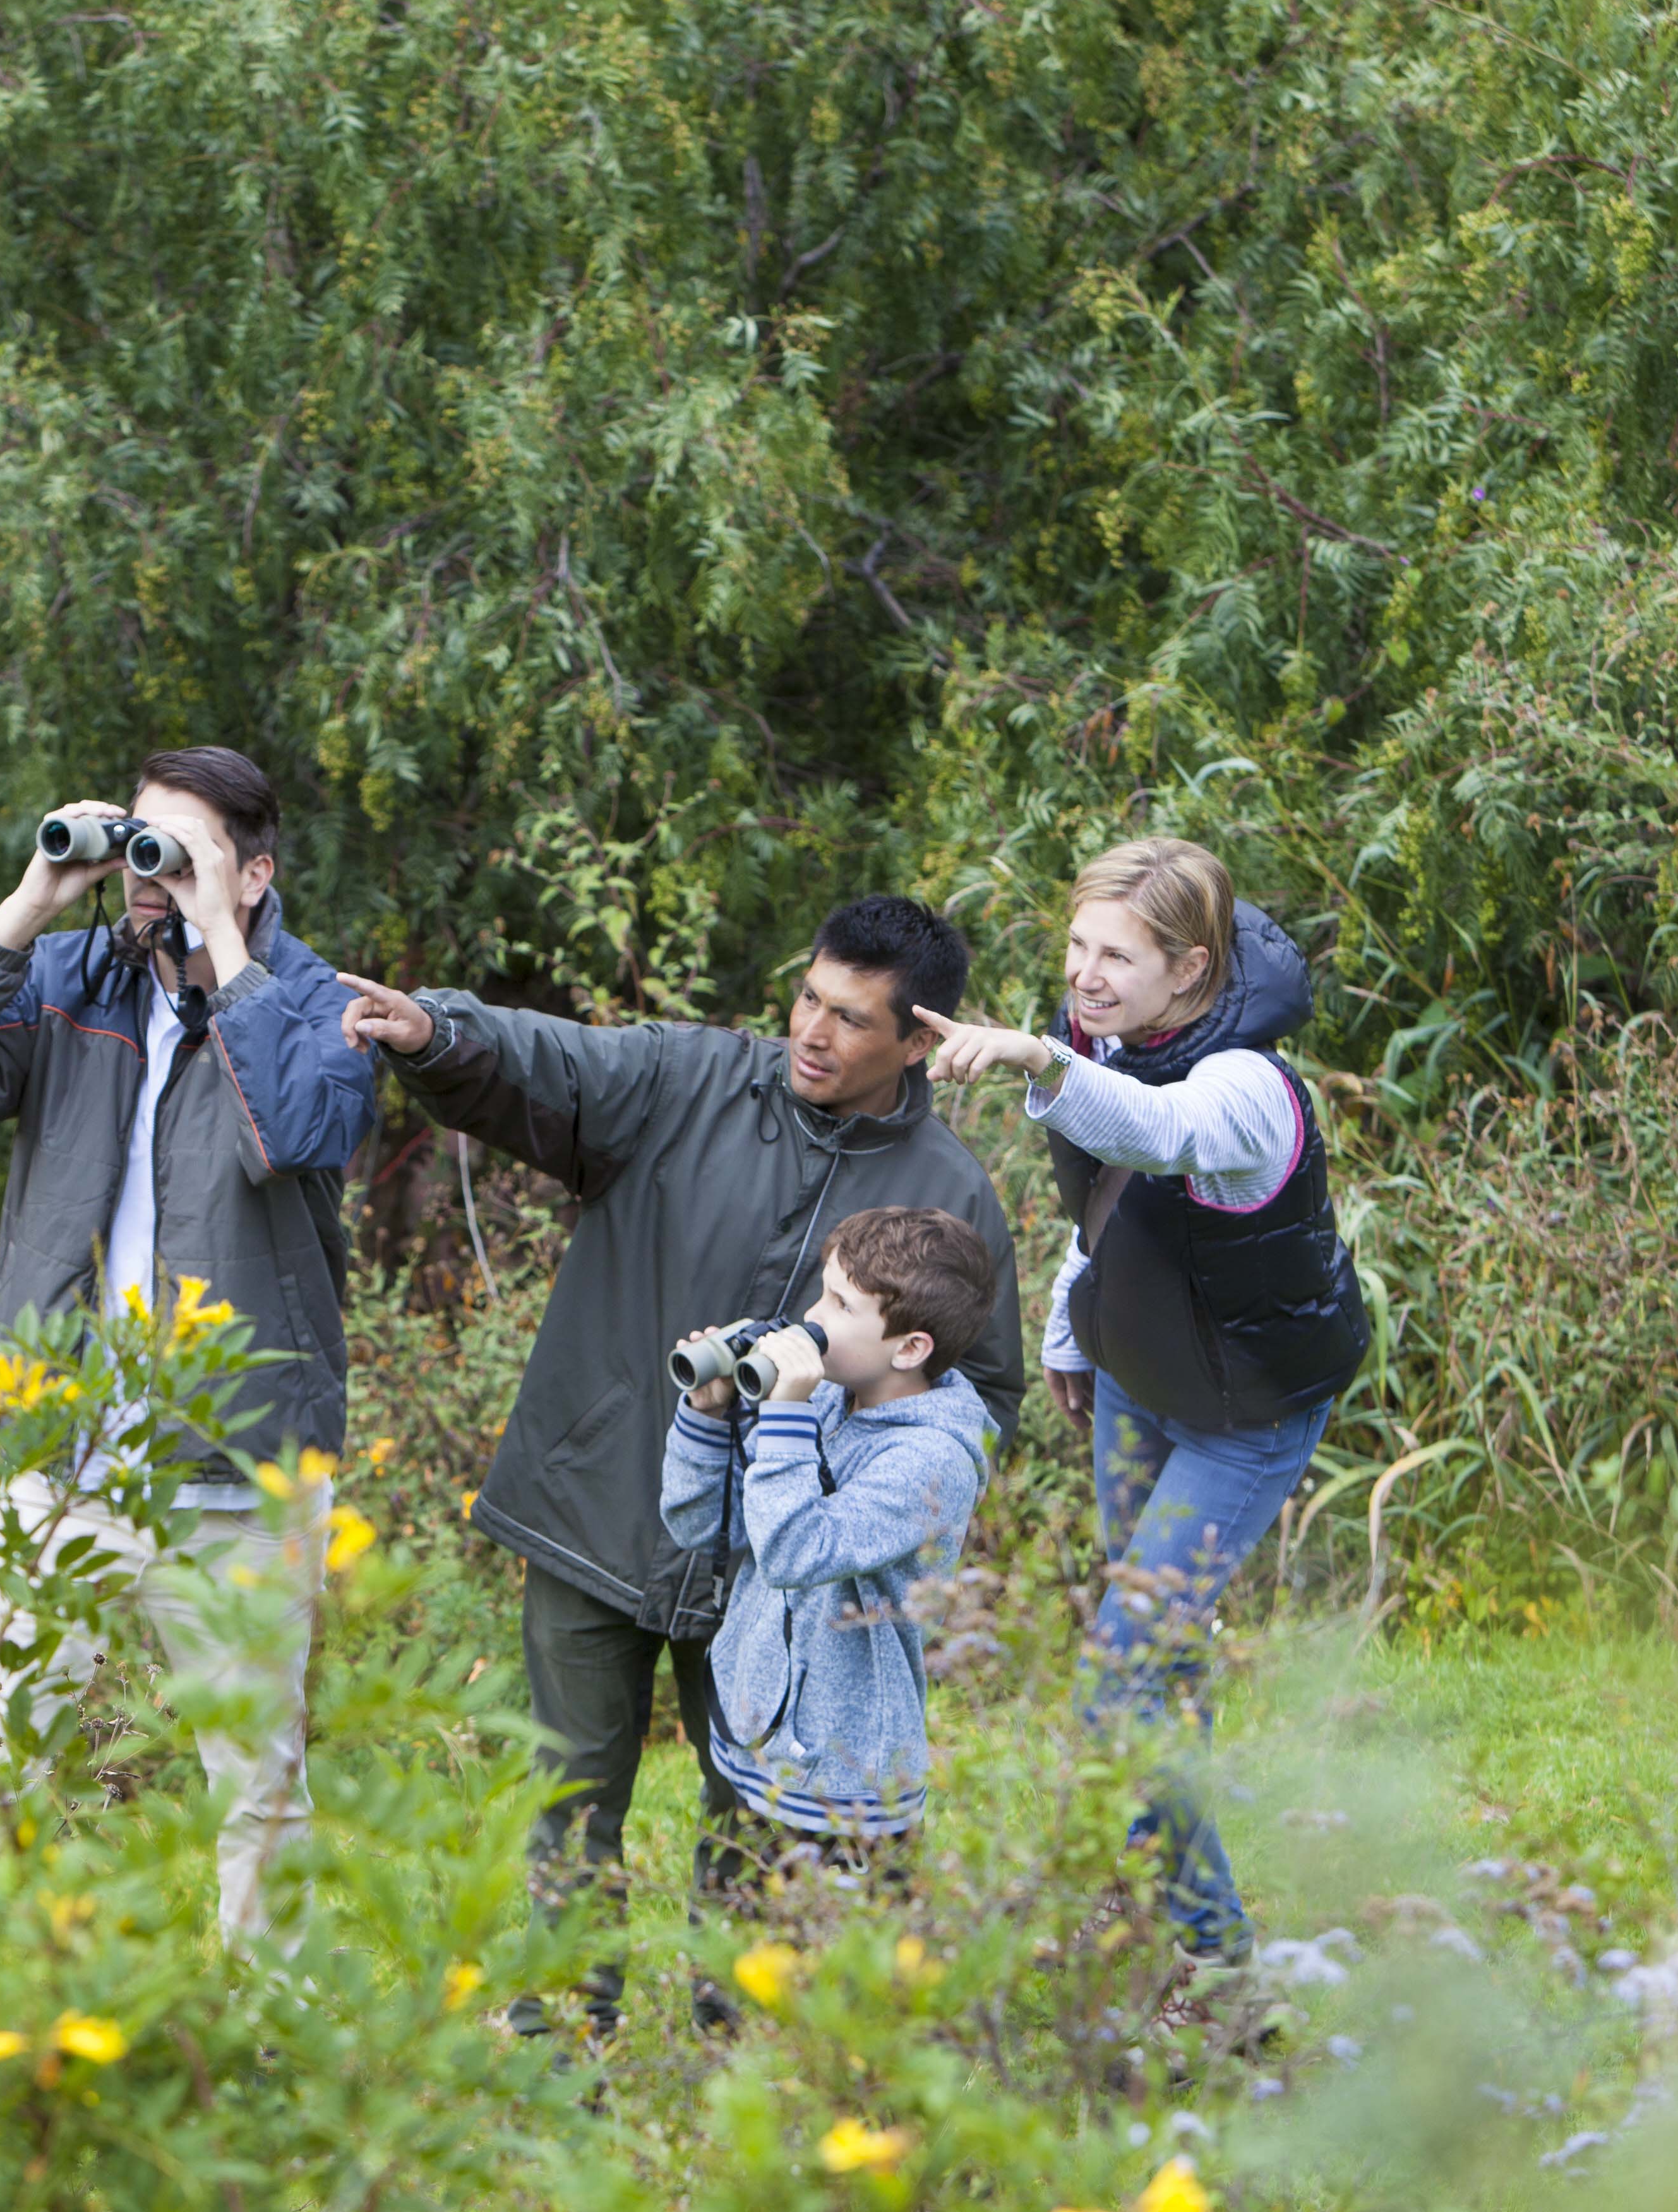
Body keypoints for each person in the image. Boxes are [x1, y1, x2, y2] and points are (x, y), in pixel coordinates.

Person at [336, 897, 1027, 2038]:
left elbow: (977, 1390)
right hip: (596, 1504)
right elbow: (548, 1063)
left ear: (918, 1040)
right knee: (571, 1798)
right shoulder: (691, 1077)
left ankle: (735, 2048)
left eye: (851, 1018)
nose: (811, 1029)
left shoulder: (949, 1192)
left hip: (777, 1566)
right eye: (808, 995)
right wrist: (438, 1031)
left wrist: (862, 1491)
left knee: (753, 1811)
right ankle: (557, 2043)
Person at [0, 746, 375, 1946]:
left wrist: (225, 954)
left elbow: (295, 1130)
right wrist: (35, 899)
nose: (151, 877)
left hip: (237, 1467)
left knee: (255, 1789)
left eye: (181, 853)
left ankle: (276, 2053)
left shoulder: (316, 1002)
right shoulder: (65, 979)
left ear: (253, 872)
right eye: (139, 845)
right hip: (67, 1459)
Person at [916, 837, 1370, 1968]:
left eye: (1116, 953)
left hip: (1245, 1414)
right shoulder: (1105, 1035)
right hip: (1139, 1377)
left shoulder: (1247, 1087)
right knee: (1158, 1665)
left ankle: (1212, 1954)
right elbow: (1112, 1202)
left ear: (1192, 965)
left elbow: (1157, 1136)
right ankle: (1146, 1916)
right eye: (1076, 945)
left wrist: (1034, 1055)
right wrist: (1084, 1314)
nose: (1084, 973)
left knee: (1121, 1672)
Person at [659, 1208, 999, 1901]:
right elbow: (705, 1528)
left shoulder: (931, 1461)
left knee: (835, 1990)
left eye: (841, 1306)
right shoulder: (828, 1403)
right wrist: (706, 1412)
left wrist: (783, 1415)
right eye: (823, 1292)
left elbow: (793, 1550)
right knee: (729, 1954)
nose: (812, 1319)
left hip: (847, 1783)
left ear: (909, 1349)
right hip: (756, 1745)